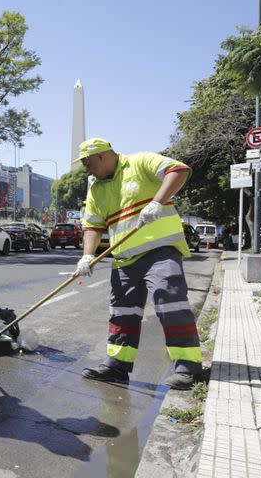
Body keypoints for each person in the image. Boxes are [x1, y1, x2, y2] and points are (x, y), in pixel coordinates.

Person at [73, 138, 202, 390]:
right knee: (122, 312)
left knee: (170, 300)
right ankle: (117, 366)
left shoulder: (140, 161)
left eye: (88, 163)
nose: (87, 168)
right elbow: (93, 225)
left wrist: (157, 201)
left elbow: (179, 170)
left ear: (101, 156)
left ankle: (188, 368)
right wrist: (87, 255)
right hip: (124, 259)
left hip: (160, 251)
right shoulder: (96, 189)